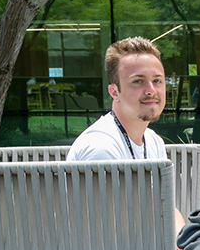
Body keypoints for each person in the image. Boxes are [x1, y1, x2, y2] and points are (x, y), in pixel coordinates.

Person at [67, 36, 185, 234]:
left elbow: (166, 208)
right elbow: (108, 233)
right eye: (138, 81)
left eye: (157, 81)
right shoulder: (101, 148)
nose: (151, 90)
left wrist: (185, 242)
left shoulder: (153, 141)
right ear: (114, 92)